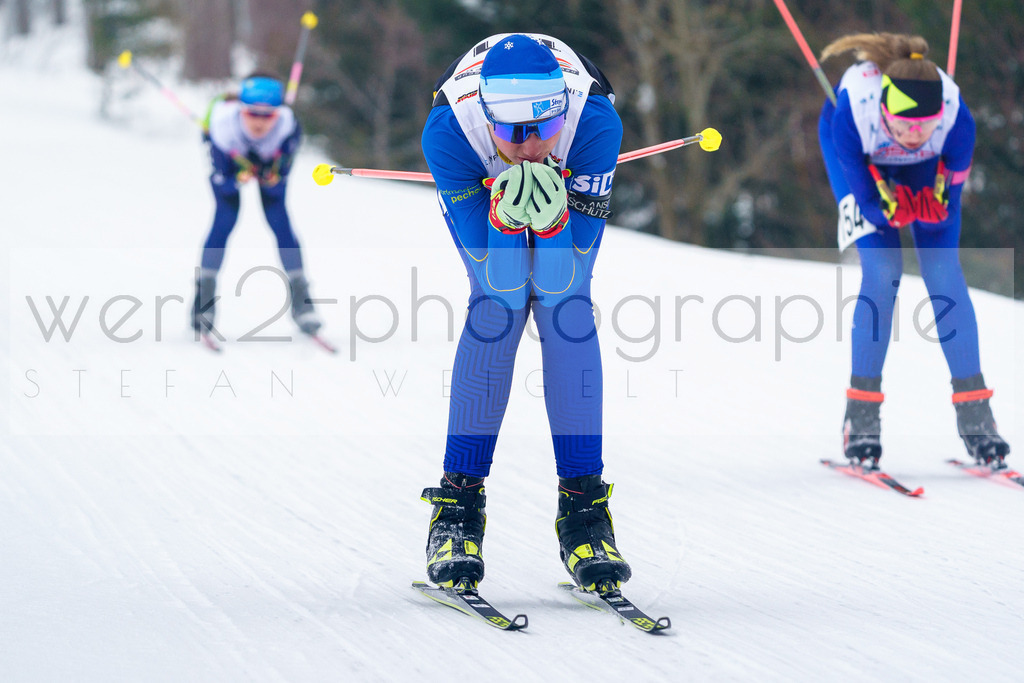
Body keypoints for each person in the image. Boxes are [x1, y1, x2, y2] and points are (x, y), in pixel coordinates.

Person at [419, 34, 631, 594]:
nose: (531, 147)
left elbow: (564, 278)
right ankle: (457, 509)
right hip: (471, 171)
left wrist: (557, 223)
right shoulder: (451, 134)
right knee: (497, 310)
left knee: (567, 313)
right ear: (488, 118)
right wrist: (507, 222)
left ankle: (584, 512)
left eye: (543, 128)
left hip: (578, 162)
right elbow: (505, 285)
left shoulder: (594, 127)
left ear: (562, 111)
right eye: (512, 132)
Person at [817, 33, 1010, 471]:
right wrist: (887, 206)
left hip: (926, 168)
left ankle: (977, 417)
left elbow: (945, 207)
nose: (911, 135)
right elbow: (867, 202)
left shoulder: (958, 121)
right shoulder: (855, 111)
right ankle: (861, 418)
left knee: (944, 273)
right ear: (885, 108)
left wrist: (931, 205)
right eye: (903, 126)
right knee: (883, 273)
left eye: (923, 127)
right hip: (858, 158)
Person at [191, 73, 322, 337]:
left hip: (266, 161)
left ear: (278, 113)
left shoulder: (289, 127)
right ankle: (203, 301)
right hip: (229, 162)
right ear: (241, 109)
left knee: (281, 224)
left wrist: (272, 175)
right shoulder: (222, 127)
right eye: (253, 114)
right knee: (224, 219)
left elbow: (283, 170)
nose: (260, 122)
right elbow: (221, 179)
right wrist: (236, 177)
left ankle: (301, 301)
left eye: (268, 115)